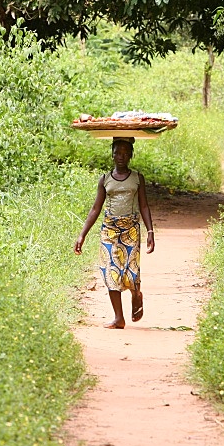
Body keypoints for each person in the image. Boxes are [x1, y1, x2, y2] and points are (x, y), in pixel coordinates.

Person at [74, 137, 154, 329]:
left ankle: (136, 294)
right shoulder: (105, 179)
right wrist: (82, 234)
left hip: (131, 230)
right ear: (112, 154)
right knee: (111, 272)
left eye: (126, 153)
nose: (121, 157)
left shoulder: (137, 178)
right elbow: (95, 208)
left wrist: (150, 230)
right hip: (109, 230)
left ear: (131, 155)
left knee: (131, 274)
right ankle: (119, 318)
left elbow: (143, 205)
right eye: (118, 152)